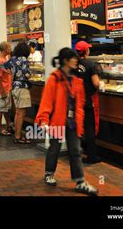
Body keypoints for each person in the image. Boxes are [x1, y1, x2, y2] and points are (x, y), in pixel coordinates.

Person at [35, 48, 98, 196]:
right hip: (57, 120)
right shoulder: (54, 78)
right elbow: (47, 101)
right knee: (55, 147)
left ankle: (80, 181)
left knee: (75, 151)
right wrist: (44, 119)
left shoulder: (77, 80)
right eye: (73, 58)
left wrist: (80, 121)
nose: (77, 60)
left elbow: (80, 103)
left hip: (73, 121)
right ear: (65, 60)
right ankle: (49, 173)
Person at [75, 41, 102, 164]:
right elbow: (96, 83)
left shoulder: (73, 64)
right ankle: (92, 156)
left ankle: (79, 152)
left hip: (77, 100)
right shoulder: (91, 64)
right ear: (86, 51)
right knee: (89, 128)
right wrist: (101, 84)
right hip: (88, 100)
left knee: (79, 127)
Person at [1, 42, 32, 144]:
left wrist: (10, 73)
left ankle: (17, 135)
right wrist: (30, 74)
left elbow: (2, 66)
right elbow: (27, 74)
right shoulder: (23, 59)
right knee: (21, 113)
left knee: (17, 112)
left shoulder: (13, 59)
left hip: (14, 87)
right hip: (22, 87)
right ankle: (18, 136)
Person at [0, 41, 12, 136]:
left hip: (7, 88)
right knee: (1, 109)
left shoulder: (5, 60)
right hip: (3, 90)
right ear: (5, 49)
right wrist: (2, 91)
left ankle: (8, 125)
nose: (11, 49)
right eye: (9, 47)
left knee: (6, 109)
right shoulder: (0, 61)